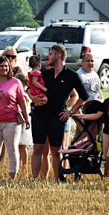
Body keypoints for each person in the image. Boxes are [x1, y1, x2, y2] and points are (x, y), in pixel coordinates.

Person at [29, 44, 89, 181]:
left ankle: (57, 180)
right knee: (38, 148)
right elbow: (29, 88)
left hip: (58, 118)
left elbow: (84, 96)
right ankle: (34, 179)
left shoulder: (71, 75)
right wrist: (32, 98)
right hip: (39, 116)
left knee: (56, 151)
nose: (47, 57)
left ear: (58, 56)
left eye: (50, 54)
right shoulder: (45, 74)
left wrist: (70, 112)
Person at [0, 56, 30, 179]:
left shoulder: (15, 82)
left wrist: (26, 119)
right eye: (1, 66)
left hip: (11, 122)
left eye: (6, 66)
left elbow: (22, 101)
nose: (4, 68)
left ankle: (12, 178)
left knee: (12, 151)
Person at [75, 75, 109, 179]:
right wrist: (81, 115)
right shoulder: (107, 101)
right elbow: (97, 115)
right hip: (106, 133)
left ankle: (105, 177)